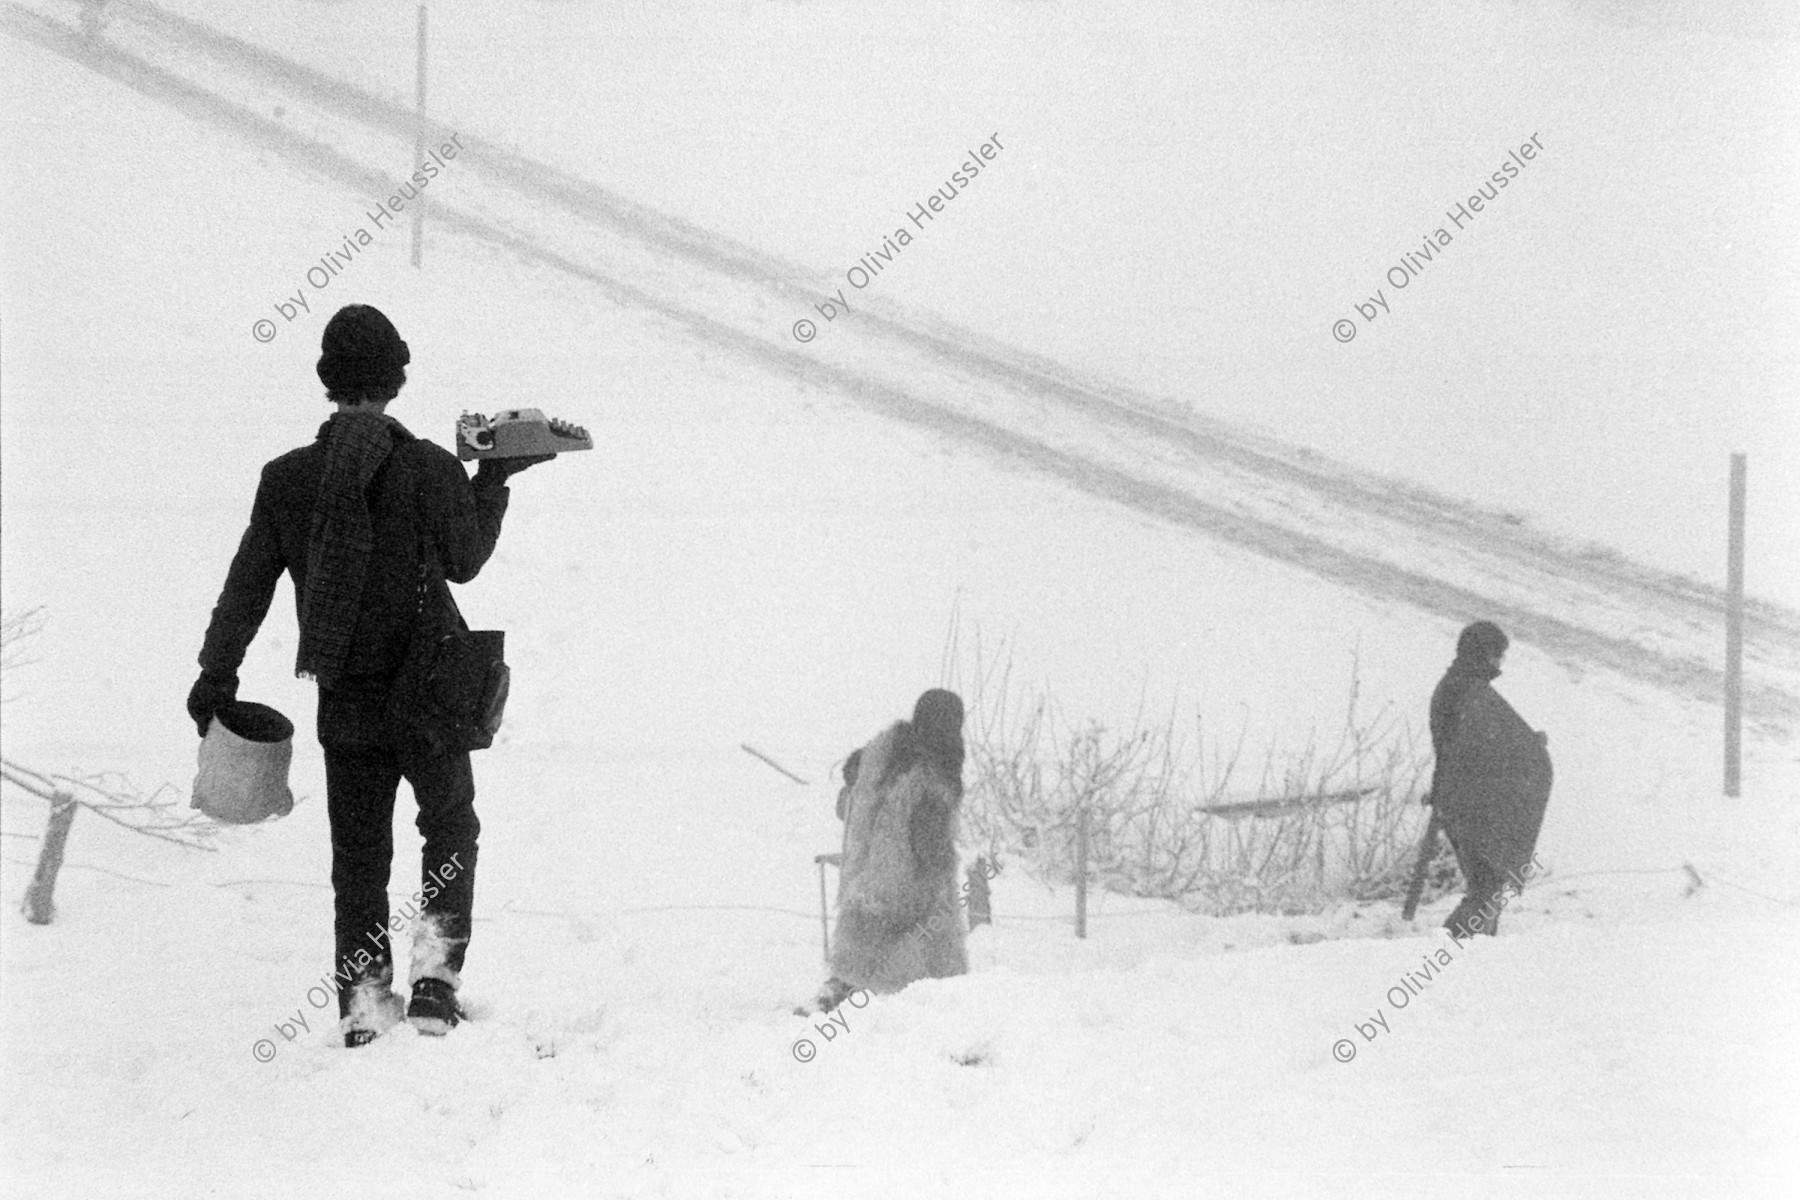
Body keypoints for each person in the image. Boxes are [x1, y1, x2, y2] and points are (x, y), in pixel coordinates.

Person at [187, 304, 548, 1046]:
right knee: (449, 827)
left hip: (345, 697)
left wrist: (215, 676)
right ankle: (435, 987)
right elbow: (466, 560)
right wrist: (495, 477)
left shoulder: (288, 479)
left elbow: (246, 589)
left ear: (328, 382)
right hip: (429, 697)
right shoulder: (428, 468)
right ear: (396, 380)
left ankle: (363, 1004)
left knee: (359, 856)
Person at [812, 689, 969, 1013]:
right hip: (907, 883)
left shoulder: (878, 757)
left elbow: (845, 804)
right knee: (927, 974)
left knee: (860, 956)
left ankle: (837, 995)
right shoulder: (933, 774)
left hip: (865, 878)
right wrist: (939, 875)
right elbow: (930, 846)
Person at [1425, 620, 1552, 939]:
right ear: (1482, 654)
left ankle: (1476, 954)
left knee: (1487, 889)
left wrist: (1524, 743)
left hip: (1463, 802)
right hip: (1471, 807)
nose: (1499, 663)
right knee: (1486, 891)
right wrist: (1527, 748)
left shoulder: (1458, 687)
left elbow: (1486, 744)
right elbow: (1478, 750)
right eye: (1497, 655)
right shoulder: (1466, 691)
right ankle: (1447, 952)